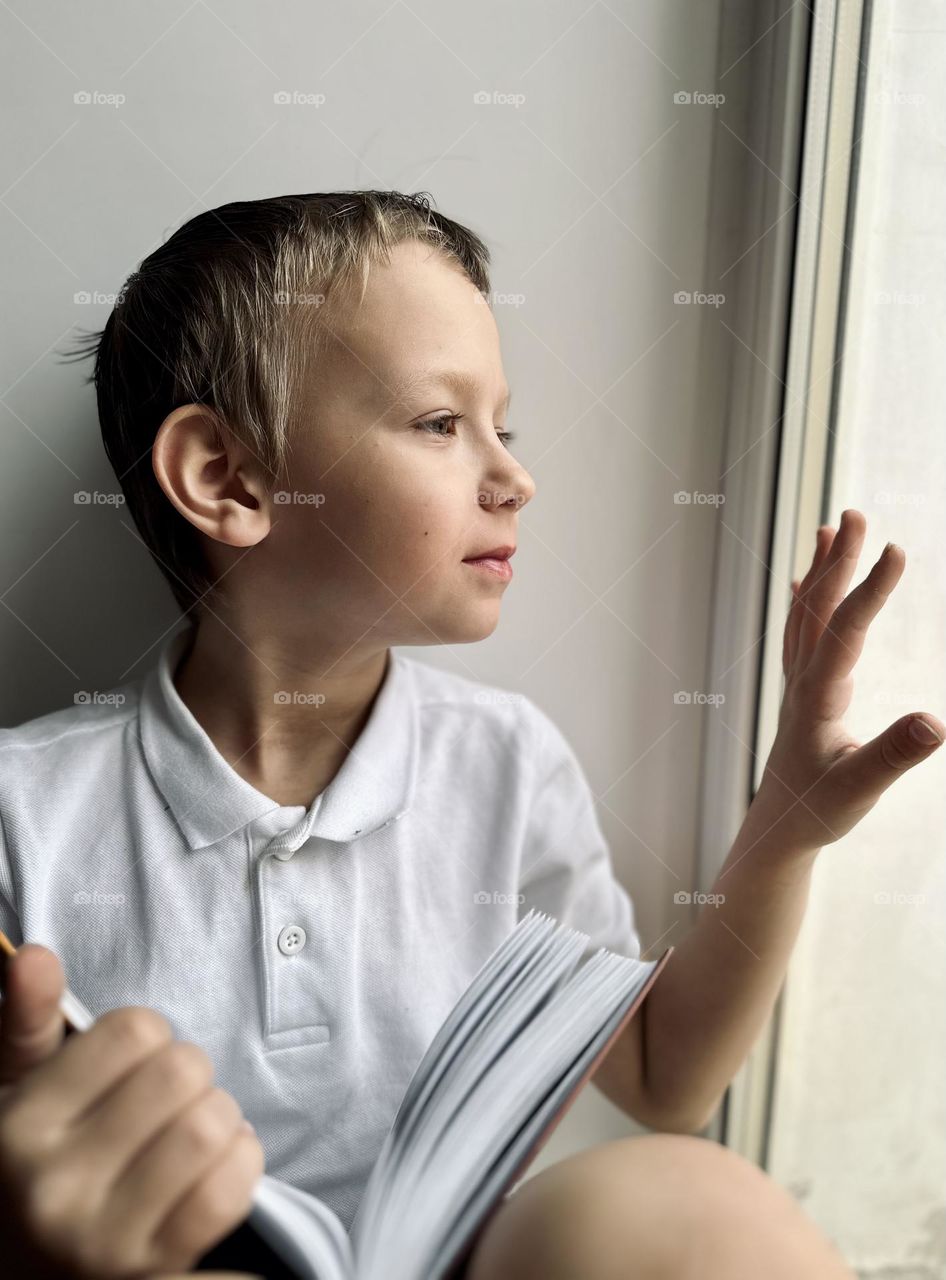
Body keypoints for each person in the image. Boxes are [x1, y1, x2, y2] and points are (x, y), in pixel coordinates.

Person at [2, 191, 940, 1278]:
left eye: (505, 425)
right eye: (441, 424)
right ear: (229, 477)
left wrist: (782, 825)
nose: (516, 476)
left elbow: (662, 1075)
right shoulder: (29, 812)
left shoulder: (505, 762)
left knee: (686, 1195)